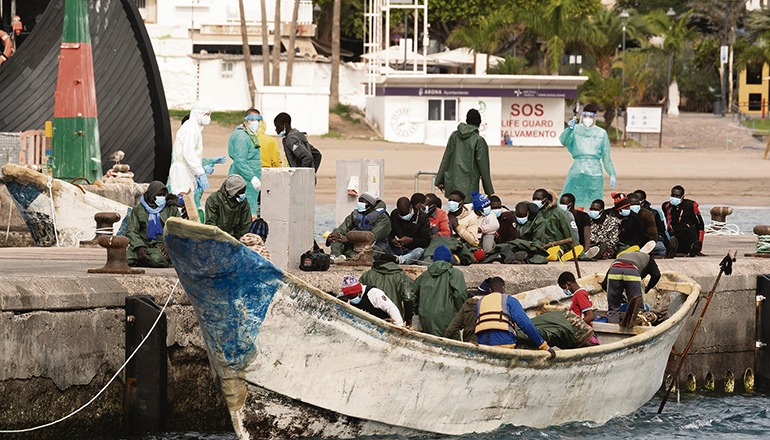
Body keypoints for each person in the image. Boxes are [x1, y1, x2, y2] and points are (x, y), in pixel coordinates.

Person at [169, 102, 226, 215]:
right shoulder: (190, 128)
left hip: (187, 172)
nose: (208, 117)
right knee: (182, 203)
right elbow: (188, 153)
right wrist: (200, 173)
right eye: (205, 114)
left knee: (188, 203)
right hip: (182, 173)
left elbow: (193, 156)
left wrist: (199, 172)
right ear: (197, 114)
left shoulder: (194, 129)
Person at [474, 277, 555, 357]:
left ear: (490, 290)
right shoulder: (510, 300)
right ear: (503, 289)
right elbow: (526, 324)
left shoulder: (479, 302)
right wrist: (543, 346)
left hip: (483, 346)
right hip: (505, 345)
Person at [559, 103, 617, 209]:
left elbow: (606, 156)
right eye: (585, 116)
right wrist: (569, 129)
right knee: (573, 201)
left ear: (595, 117)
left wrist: (612, 173)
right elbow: (563, 141)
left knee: (594, 203)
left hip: (594, 172)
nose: (587, 119)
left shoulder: (601, 133)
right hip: (577, 169)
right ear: (582, 116)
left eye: (590, 116)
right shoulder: (575, 129)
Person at [434, 109, 494, 204]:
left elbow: (446, 158)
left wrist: (439, 181)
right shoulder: (479, 140)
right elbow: (484, 168)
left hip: (452, 183)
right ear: (479, 122)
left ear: (467, 120)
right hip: (469, 186)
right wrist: (489, 191)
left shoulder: (454, 136)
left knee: (453, 212)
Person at [412, 244, 467, 336]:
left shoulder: (424, 275)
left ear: (434, 259)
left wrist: (417, 311)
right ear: (449, 258)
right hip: (448, 317)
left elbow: (412, 295)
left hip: (426, 318)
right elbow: (460, 295)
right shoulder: (455, 273)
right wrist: (460, 315)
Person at [126, 181, 181, 267]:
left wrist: (169, 243)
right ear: (152, 194)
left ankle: (167, 262)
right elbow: (131, 230)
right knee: (124, 259)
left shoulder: (171, 209)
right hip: (144, 245)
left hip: (162, 246)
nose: (161, 197)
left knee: (156, 260)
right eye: (159, 195)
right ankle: (145, 259)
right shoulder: (139, 209)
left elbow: (179, 229)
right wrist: (139, 246)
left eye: (163, 195)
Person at [602, 246, 660, 326]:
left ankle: (613, 329)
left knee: (613, 309)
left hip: (614, 270)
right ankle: (635, 328)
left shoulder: (623, 256)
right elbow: (656, 275)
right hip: (631, 271)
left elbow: (605, 284)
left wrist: (617, 297)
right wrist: (647, 289)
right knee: (637, 307)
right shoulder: (648, 258)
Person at [327, 192, 390, 261]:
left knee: (368, 251)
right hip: (353, 243)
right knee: (336, 233)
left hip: (373, 246)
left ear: (370, 204)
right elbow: (344, 227)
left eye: (362, 202)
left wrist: (349, 239)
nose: (360, 204)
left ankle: (349, 256)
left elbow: (371, 237)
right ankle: (335, 256)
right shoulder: (355, 214)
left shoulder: (383, 218)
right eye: (359, 201)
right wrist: (337, 235)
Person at [228, 109, 262, 218]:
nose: (255, 122)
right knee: (246, 214)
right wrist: (252, 177)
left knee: (249, 211)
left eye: (258, 120)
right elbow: (240, 160)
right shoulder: (242, 137)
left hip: (250, 182)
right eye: (252, 119)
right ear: (246, 120)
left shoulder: (250, 135)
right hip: (244, 180)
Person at [360, 258, 415, 324]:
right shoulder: (401, 276)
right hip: (394, 318)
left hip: (371, 318)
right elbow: (408, 298)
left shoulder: (367, 275)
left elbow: (358, 294)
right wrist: (408, 317)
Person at [532, 188, 580, 259]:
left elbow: (567, 230)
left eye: (538, 199)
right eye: (534, 199)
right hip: (538, 244)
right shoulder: (533, 212)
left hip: (557, 244)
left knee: (552, 256)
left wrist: (575, 247)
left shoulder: (558, 212)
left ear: (545, 200)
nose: (535, 201)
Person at [339, 276, 404, 326]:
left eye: (353, 296)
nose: (351, 299)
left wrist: (399, 325)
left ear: (359, 292)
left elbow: (391, 308)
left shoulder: (374, 293)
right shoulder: (350, 301)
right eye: (349, 297)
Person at [384, 196, 431, 264]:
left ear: (410, 208)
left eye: (405, 214)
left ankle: (401, 260)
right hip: (397, 248)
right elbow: (390, 232)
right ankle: (395, 258)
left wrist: (411, 240)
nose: (403, 217)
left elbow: (426, 241)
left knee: (419, 251)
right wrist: (392, 240)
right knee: (383, 245)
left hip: (412, 249)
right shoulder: (394, 214)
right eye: (401, 215)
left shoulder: (422, 217)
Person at [661, 185, 705, 257]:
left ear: (682, 197)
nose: (675, 198)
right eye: (673, 195)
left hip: (687, 233)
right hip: (674, 234)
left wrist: (700, 243)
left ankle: (694, 249)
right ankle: (672, 249)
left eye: (677, 196)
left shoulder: (691, 205)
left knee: (691, 231)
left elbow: (700, 225)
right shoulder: (666, 206)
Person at [205, 175, 252, 240]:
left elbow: (246, 225)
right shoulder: (214, 199)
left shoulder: (243, 202)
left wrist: (245, 239)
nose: (243, 194)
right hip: (218, 238)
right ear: (233, 192)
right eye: (241, 192)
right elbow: (210, 224)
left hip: (236, 238)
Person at [444, 278, 492, 343]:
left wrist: (443, 341)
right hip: (488, 344)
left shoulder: (468, 305)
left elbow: (452, 328)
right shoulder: (494, 306)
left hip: (469, 342)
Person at [633, 189, 669, 256]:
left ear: (643, 201)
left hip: (653, 240)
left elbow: (663, 230)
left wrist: (668, 243)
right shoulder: (628, 213)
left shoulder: (654, 213)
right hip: (636, 240)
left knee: (660, 249)